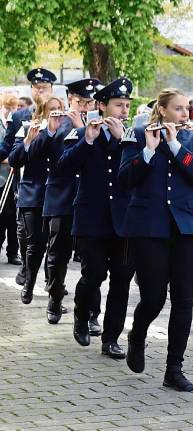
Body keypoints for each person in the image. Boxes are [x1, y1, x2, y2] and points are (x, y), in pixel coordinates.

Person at [119, 88, 193, 392]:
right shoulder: (138, 134)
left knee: (183, 299)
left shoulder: (191, 138)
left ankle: (174, 368)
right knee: (154, 297)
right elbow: (124, 179)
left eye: (187, 109)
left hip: (189, 228)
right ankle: (138, 333)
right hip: (149, 227)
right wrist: (148, 151)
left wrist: (173, 144)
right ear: (162, 109)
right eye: (178, 109)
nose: (184, 115)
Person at [59, 77, 136, 359]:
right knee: (93, 275)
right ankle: (82, 316)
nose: (123, 111)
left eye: (127, 106)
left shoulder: (133, 138)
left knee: (122, 279)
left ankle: (111, 338)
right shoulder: (82, 134)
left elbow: (139, 171)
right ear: (102, 106)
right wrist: (88, 141)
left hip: (123, 221)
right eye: (118, 105)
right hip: (92, 218)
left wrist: (121, 141)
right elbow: (63, 168)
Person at [33, 78, 102, 324]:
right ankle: (54, 300)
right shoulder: (58, 122)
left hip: (87, 200)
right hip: (61, 198)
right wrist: (55, 129)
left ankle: (92, 313)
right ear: (70, 99)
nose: (85, 107)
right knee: (57, 254)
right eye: (81, 101)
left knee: (92, 259)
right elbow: (37, 154)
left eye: (90, 102)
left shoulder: (97, 124)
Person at [3, 69, 56, 293]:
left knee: (53, 238)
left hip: (54, 185)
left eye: (44, 87)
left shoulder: (60, 114)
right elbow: (8, 148)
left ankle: (52, 280)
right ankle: (27, 267)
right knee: (26, 232)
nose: (40, 90)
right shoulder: (20, 116)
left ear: (52, 90)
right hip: (26, 183)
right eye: (36, 87)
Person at [10, 94, 65, 305]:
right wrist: (29, 140)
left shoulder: (66, 131)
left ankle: (54, 293)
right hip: (33, 194)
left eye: (59, 108)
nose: (56, 113)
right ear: (42, 111)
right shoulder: (30, 128)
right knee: (35, 244)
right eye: (52, 109)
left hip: (58, 195)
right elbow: (16, 159)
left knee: (57, 249)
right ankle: (29, 282)